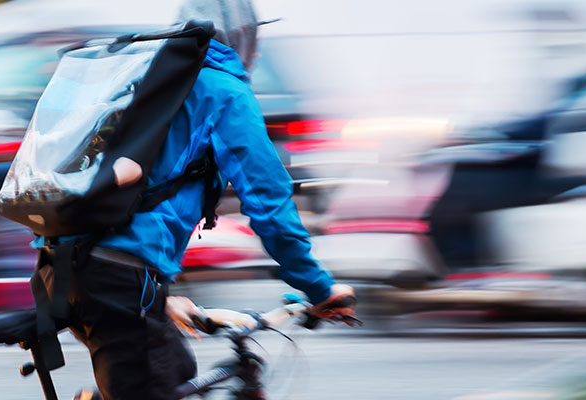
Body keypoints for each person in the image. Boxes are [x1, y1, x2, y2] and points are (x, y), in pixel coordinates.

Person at [34, 0, 356, 399]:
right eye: (255, 39)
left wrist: (159, 291)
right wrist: (319, 287)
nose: (255, 52)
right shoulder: (223, 92)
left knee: (176, 373)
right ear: (243, 37)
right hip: (117, 276)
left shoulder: (151, 81)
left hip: (64, 267)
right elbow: (269, 202)